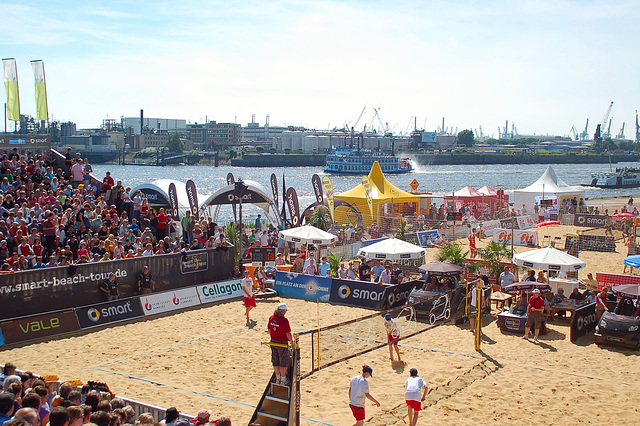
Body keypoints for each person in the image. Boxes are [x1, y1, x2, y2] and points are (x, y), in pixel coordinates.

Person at [268, 303, 293, 386]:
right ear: (283, 311)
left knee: (275, 361)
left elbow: (269, 330)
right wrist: (292, 342)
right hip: (282, 343)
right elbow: (288, 334)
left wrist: (273, 337)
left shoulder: (271, 318)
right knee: (283, 362)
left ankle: (278, 378)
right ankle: (283, 380)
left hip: (273, 341)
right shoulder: (284, 321)